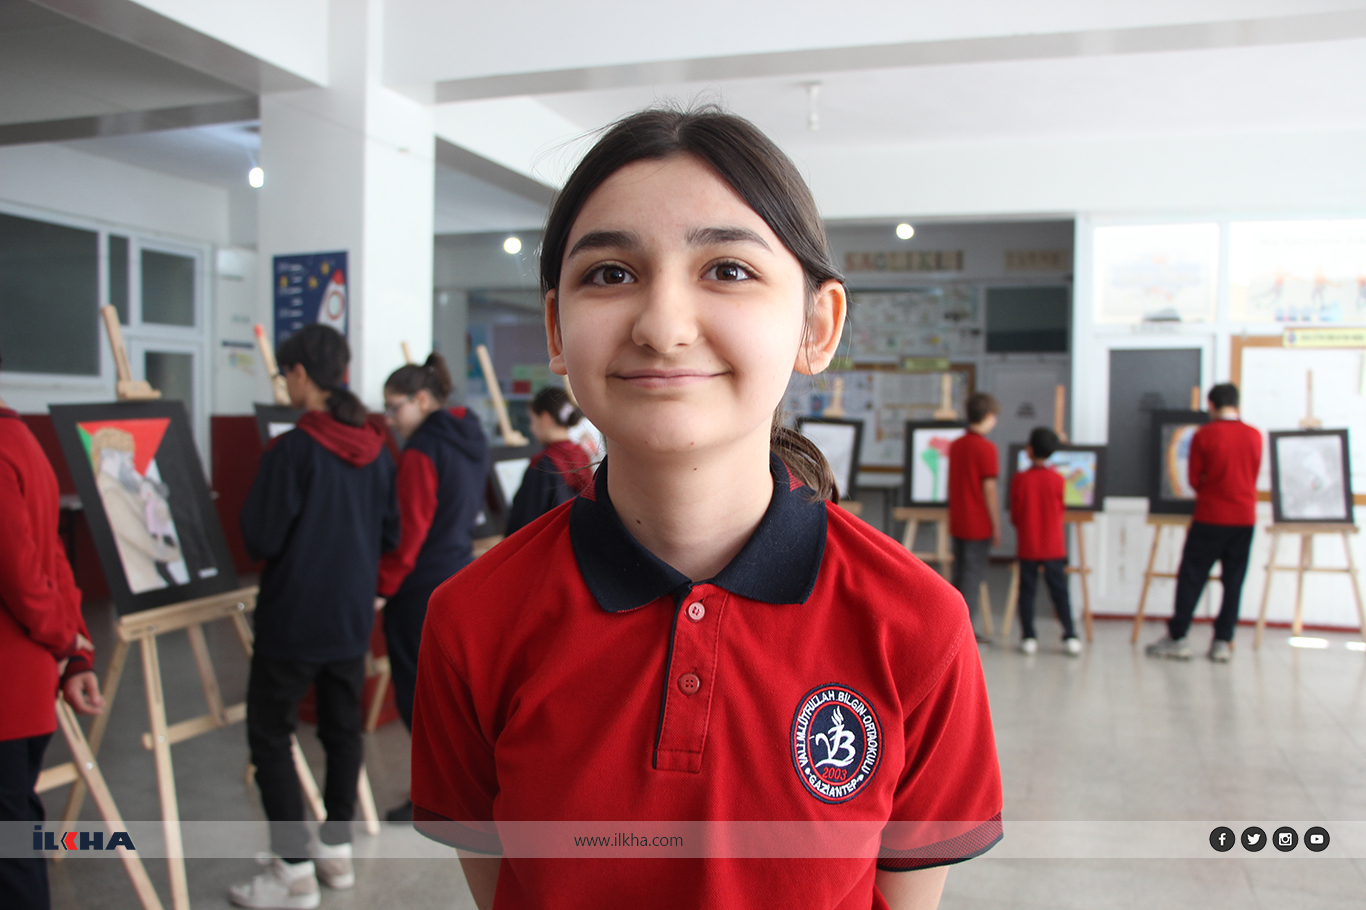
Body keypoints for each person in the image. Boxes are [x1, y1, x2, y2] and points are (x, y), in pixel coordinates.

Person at [409, 107, 1001, 910]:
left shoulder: (917, 625)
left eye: (727, 269)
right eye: (609, 274)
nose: (662, 327)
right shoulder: (473, 620)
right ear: (556, 327)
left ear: (817, 325)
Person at [235, 324, 399, 909]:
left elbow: (260, 536)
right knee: (342, 732)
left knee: (270, 735)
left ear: (301, 374)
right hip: (350, 619)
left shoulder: (293, 449)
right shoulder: (377, 449)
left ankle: (293, 868)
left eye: (285, 375)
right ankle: (336, 851)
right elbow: (390, 534)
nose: (284, 386)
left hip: (293, 618)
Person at [0, 358, 104, 910]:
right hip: (30, 686)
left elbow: (21, 574)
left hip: (9, 691)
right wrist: (76, 649)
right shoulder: (23, 440)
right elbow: (52, 556)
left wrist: (68, 643)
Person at [377, 353, 488, 821]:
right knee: (449, 696)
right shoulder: (471, 436)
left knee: (418, 695)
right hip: (458, 573)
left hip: (418, 584)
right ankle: (458, 790)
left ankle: (434, 796)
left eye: (394, 407)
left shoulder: (422, 451)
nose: (389, 420)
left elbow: (410, 533)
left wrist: (383, 586)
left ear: (422, 399)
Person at [1147, 383, 1261, 663]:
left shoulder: (1205, 434)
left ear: (1210, 405)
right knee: (1234, 581)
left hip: (1211, 516)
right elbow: (1254, 472)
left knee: (1191, 576)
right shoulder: (1254, 435)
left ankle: (1178, 637)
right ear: (1237, 403)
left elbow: (1194, 479)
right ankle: (1222, 641)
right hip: (1244, 518)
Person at [1009, 427, 1081, 656]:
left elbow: (1015, 515)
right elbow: (1060, 510)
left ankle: (1028, 636)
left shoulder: (1020, 479)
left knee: (1027, 592)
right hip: (1054, 547)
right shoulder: (1058, 480)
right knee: (1060, 593)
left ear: (1030, 449)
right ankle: (1070, 635)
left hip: (1028, 546)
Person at [503, 386, 593, 535]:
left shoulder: (543, 464)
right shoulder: (581, 455)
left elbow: (524, 522)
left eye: (532, 420)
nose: (531, 428)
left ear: (545, 418)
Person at [947, 392, 1001, 641]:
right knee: (972, 578)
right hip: (978, 523)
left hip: (958, 520)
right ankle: (964, 634)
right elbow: (989, 490)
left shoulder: (956, 445)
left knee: (959, 576)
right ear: (988, 416)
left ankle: (953, 629)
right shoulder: (987, 448)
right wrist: (996, 525)